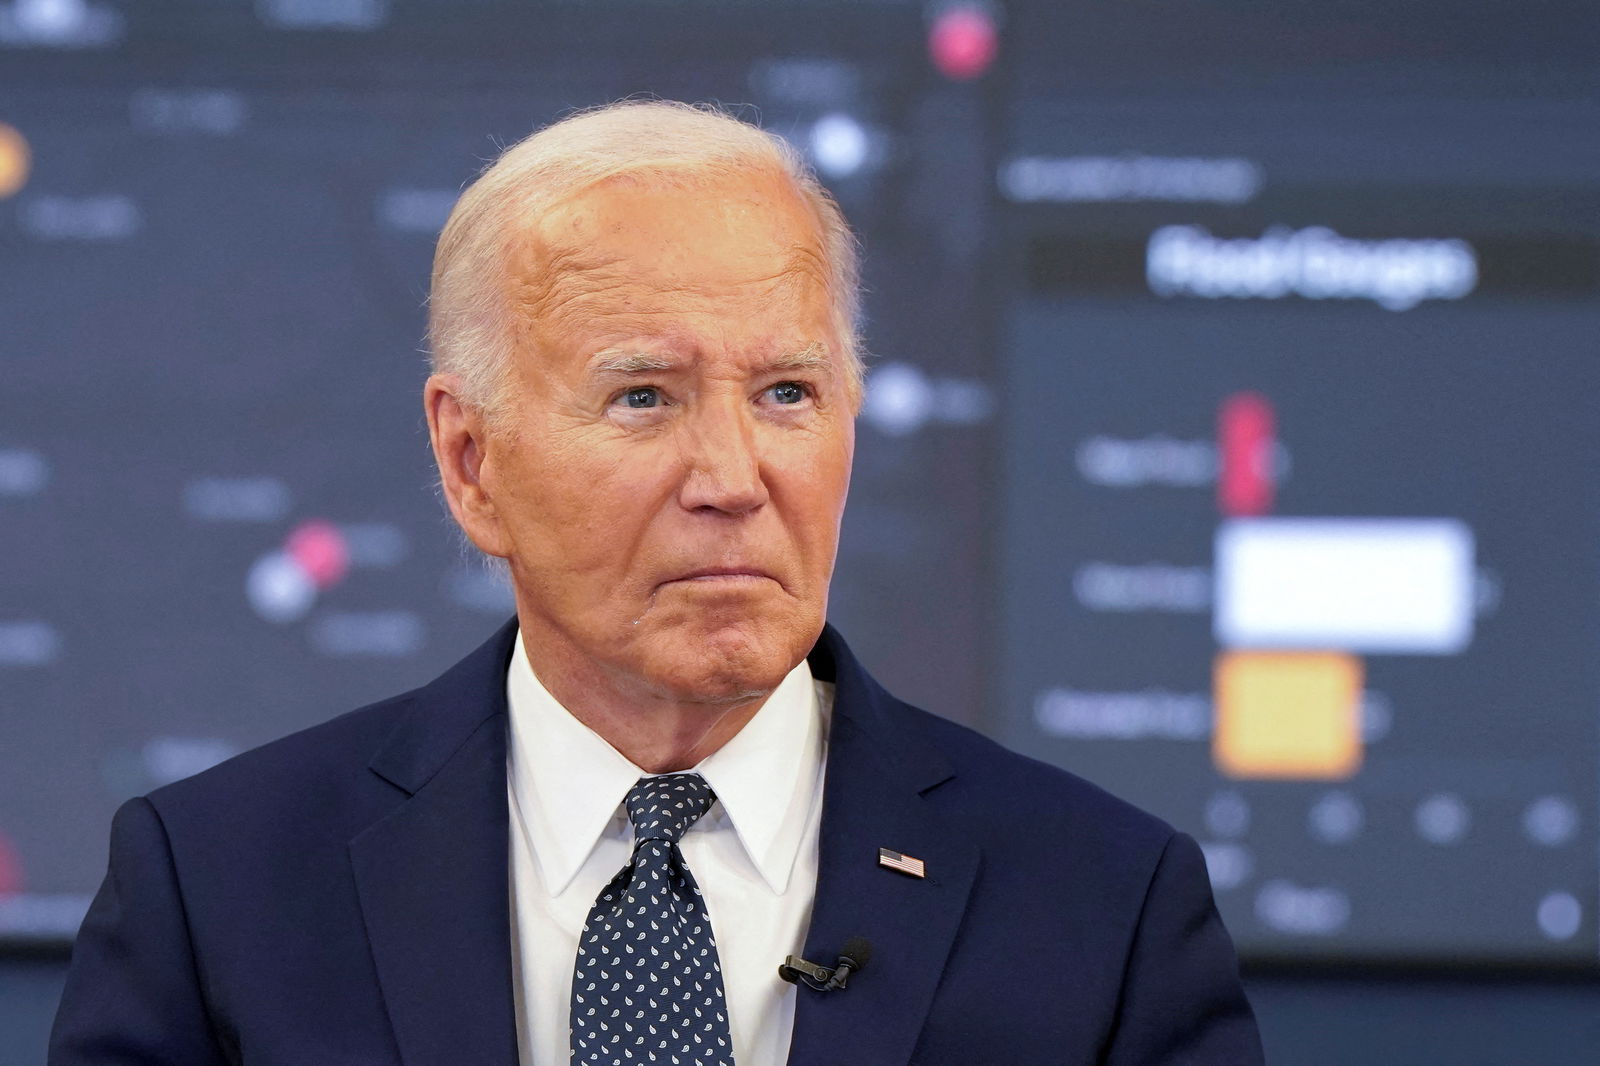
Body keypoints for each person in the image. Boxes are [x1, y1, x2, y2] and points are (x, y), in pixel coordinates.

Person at [50, 100, 1263, 1065]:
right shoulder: (218, 886)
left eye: (786, 393)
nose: (733, 478)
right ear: (471, 461)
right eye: (644, 397)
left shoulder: (1105, 905)